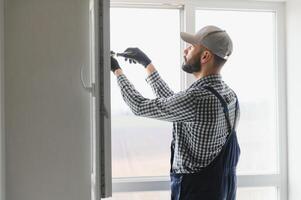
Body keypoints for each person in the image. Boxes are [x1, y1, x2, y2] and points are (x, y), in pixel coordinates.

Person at [110, 25, 241, 200]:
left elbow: (139, 106)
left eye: (192, 47)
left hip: (195, 191)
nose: (185, 50)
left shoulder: (198, 98)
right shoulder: (229, 95)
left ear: (205, 56)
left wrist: (116, 70)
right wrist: (147, 64)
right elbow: (176, 105)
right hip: (221, 189)